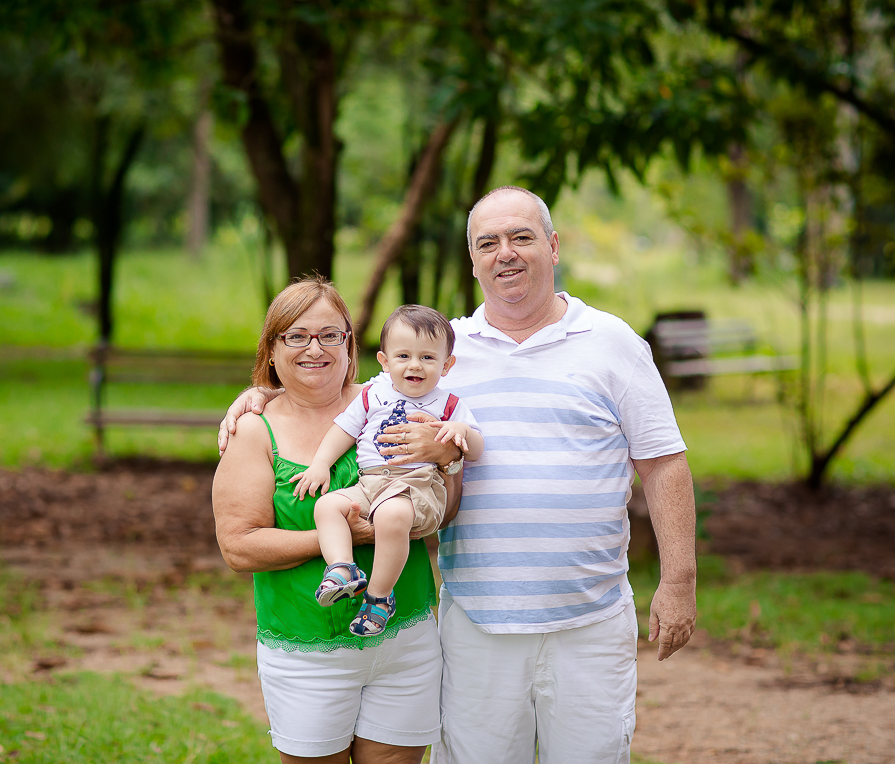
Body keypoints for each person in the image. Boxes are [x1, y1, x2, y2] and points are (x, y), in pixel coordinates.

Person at [219, 186, 698, 764]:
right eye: (487, 243)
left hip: (588, 620)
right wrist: (261, 393)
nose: (506, 254)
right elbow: (340, 392)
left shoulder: (612, 343)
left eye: (522, 237)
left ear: (552, 245)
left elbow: (664, 460)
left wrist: (678, 581)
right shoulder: (443, 347)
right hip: (476, 622)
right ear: (472, 260)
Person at [212, 278, 453, 764]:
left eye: (329, 334)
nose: (314, 348)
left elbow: (445, 503)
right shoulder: (255, 430)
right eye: (296, 336)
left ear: (350, 343)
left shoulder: (392, 400)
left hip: (404, 641)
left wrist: (449, 454)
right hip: (307, 650)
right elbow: (239, 547)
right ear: (272, 348)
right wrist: (339, 537)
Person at [292, 304, 484, 638]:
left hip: (416, 486)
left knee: (391, 515)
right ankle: (342, 568)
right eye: (403, 356)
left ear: (447, 364)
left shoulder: (449, 404)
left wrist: (461, 433)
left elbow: (478, 449)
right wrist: (321, 463)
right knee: (328, 506)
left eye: (427, 358)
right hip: (369, 483)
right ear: (384, 361)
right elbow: (344, 430)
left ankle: (379, 597)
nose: (415, 365)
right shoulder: (372, 394)